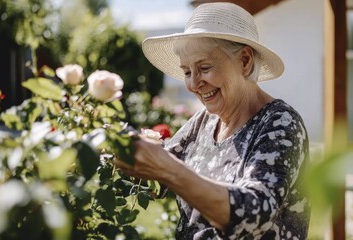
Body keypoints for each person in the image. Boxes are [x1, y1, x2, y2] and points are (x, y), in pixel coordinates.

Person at [115, 2, 310, 240]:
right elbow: (155, 179)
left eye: (204, 67)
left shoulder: (279, 124)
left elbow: (253, 213)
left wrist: (169, 170)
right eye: (187, 72)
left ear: (245, 61)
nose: (193, 84)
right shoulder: (203, 122)